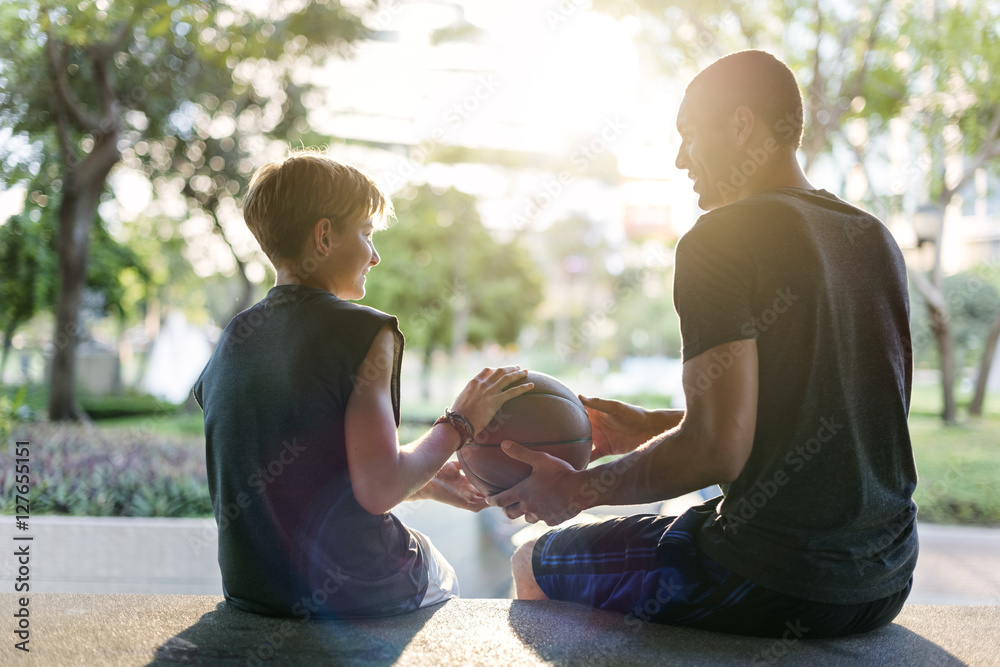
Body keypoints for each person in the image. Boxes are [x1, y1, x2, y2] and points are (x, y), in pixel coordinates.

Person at [489, 50, 917, 638]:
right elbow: (831, 422)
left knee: (530, 560)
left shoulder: (720, 238)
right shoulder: (872, 237)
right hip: (887, 581)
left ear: (741, 126)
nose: (680, 158)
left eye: (689, 135)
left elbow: (717, 449)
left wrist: (574, 491)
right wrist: (647, 428)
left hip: (772, 577)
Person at [193, 152, 533, 618]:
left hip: (253, 592)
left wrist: (426, 484)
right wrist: (458, 424)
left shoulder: (234, 338)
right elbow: (378, 490)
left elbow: (301, 476)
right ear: (325, 235)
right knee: (441, 572)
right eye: (367, 234)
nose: (374, 255)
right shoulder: (365, 332)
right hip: (356, 590)